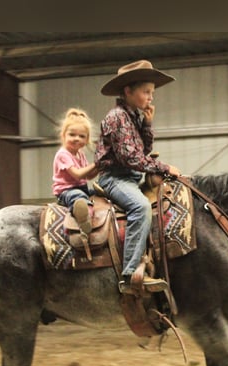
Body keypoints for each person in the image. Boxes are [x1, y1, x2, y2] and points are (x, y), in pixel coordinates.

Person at [95, 60, 182, 295]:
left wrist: (148, 124)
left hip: (130, 178)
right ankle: (130, 275)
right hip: (115, 178)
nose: (151, 97)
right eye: (146, 92)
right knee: (141, 207)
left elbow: (143, 151)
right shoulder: (117, 117)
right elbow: (130, 158)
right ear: (128, 91)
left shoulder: (132, 116)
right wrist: (164, 167)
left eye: (152, 93)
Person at [53, 108, 99, 236]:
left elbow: (88, 176)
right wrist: (95, 164)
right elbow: (78, 174)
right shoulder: (63, 154)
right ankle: (84, 219)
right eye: (72, 135)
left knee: (100, 192)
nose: (77, 138)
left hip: (81, 187)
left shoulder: (80, 154)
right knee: (79, 197)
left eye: (82, 136)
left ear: (87, 139)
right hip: (66, 191)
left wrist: (100, 166)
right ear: (64, 135)